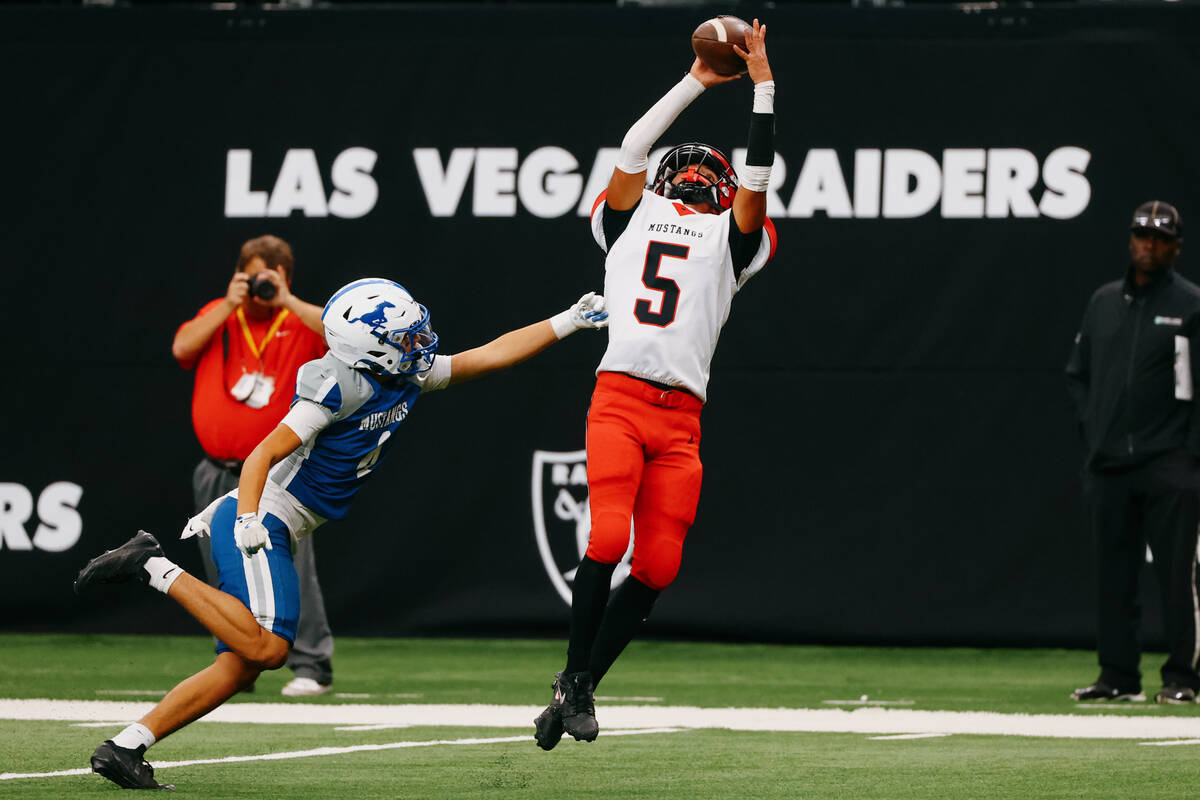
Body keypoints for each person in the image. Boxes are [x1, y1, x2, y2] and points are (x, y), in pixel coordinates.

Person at [75, 278, 609, 790]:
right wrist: (248, 519)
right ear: (368, 349)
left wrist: (567, 321)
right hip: (263, 513)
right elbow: (262, 454)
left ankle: (125, 747)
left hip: (280, 518)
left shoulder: (406, 373)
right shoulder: (337, 385)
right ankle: (150, 564)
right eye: (406, 337)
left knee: (239, 667)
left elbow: (488, 355)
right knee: (269, 647)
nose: (419, 343)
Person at [532, 20, 778, 749]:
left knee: (661, 563)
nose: (701, 176)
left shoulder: (735, 241)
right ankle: (576, 684)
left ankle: (574, 689)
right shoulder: (628, 220)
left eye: (713, 172)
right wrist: (696, 83)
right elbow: (634, 148)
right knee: (607, 534)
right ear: (673, 179)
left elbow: (757, 176)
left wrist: (765, 87)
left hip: (682, 418)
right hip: (621, 397)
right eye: (692, 168)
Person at [172, 234, 336, 697]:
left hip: (276, 472)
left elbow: (339, 335)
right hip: (216, 467)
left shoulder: (298, 319)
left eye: (270, 276)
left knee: (291, 566)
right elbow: (182, 348)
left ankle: (311, 664)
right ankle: (235, 659)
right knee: (223, 568)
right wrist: (228, 304)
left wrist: (285, 298)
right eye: (253, 275)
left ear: (284, 276)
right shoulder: (220, 314)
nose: (260, 286)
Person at [1065, 201, 1200, 705]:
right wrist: (1095, 430)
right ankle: (1117, 675)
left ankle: (1184, 677)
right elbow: (1077, 374)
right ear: (1129, 240)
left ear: (1177, 247)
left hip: (1170, 463)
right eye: (1143, 236)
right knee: (1113, 575)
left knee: (1177, 575)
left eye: (1162, 238)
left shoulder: (1190, 305)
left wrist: (1190, 455)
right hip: (1109, 464)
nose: (1150, 245)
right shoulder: (1103, 302)